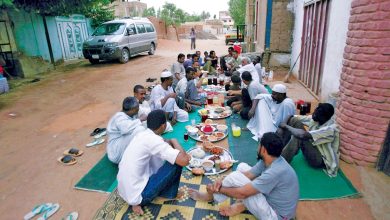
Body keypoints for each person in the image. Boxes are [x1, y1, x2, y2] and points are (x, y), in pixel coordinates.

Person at [189, 132, 299, 220]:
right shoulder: (271, 159)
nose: (258, 146)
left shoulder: (275, 172)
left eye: (259, 144)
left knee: (235, 178)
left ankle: (211, 196)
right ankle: (240, 204)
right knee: (242, 167)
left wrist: (219, 189)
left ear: (264, 150)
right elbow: (247, 175)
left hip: (275, 216)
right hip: (270, 199)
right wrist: (221, 179)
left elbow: (241, 193)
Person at [117, 110, 191, 215]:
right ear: (163, 125)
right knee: (176, 162)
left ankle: (136, 199)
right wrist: (175, 141)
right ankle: (169, 194)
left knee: (170, 156)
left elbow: (162, 141)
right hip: (140, 196)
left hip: (124, 191)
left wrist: (169, 143)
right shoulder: (153, 140)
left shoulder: (142, 135)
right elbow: (184, 161)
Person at [279, 103, 340, 177]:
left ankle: (279, 164)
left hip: (321, 160)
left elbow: (302, 135)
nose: (313, 116)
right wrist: (282, 127)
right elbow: (291, 116)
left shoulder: (330, 129)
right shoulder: (317, 118)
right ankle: (278, 149)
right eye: (314, 112)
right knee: (294, 121)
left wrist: (285, 126)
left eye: (316, 115)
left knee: (298, 137)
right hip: (313, 147)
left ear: (324, 118)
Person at [106, 97, 146, 164]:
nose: (138, 109)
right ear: (132, 109)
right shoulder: (119, 117)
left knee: (143, 127)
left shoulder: (129, 113)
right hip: (115, 152)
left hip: (121, 143)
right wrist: (140, 119)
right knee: (139, 130)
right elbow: (125, 129)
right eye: (137, 108)